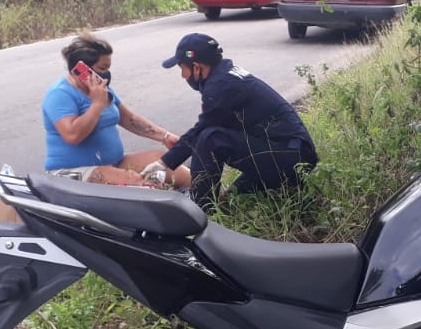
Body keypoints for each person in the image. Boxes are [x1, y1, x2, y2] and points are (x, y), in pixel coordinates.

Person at [142, 33, 318, 211]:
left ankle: (200, 211)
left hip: (289, 156)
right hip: (290, 152)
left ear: (196, 67)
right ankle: (294, 194)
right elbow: (217, 122)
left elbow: (203, 130)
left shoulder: (221, 85)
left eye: (182, 68)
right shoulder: (226, 75)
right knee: (230, 201)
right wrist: (181, 146)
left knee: (210, 138)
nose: (182, 75)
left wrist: (163, 163)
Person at [42, 33, 191, 188]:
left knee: (164, 161)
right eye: (102, 68)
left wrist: (165, 136)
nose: (106, 74)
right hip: (74, 171)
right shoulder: (60, 94)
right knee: (140, 183)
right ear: (80, 69)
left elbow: (128, 119)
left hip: (114, 163)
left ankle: (205, 198)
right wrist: (97, 104)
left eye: (108, 68)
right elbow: (73, 135)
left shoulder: (101, 89)